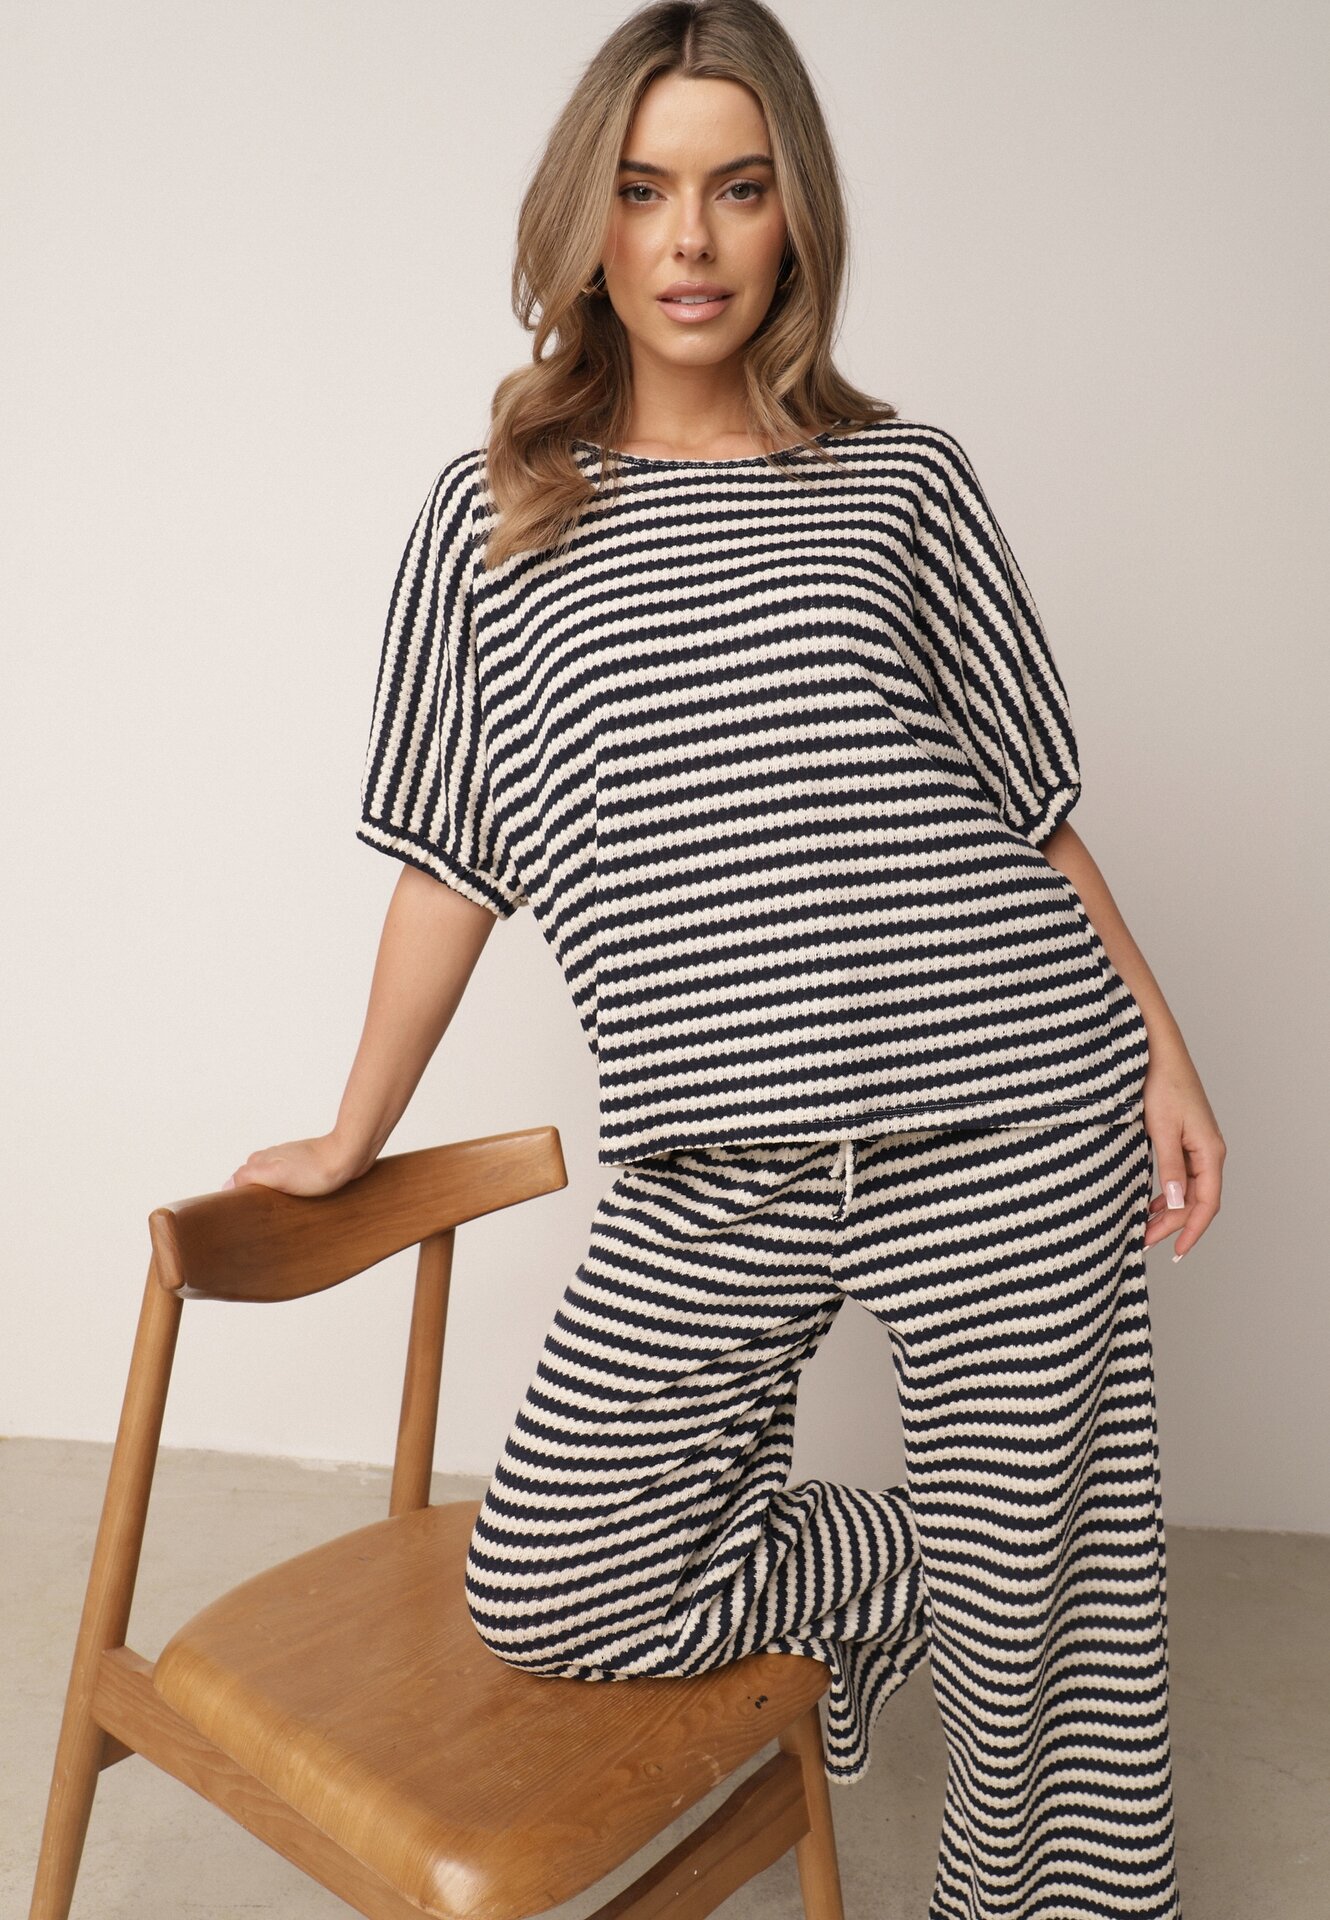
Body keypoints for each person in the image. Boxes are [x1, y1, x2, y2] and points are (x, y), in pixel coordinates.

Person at [228, 3, 1223, 1913]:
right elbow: (444, 867)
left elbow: (1028, 809)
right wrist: (353, 1134)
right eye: (642, 189)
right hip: (714, 1153)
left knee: (1048, 1673)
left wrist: (1163, 1059)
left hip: (1012, 1105)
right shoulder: (491, 513)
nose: (688, 238)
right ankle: (920, 1571)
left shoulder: (902, 479)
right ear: (583, 221)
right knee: (560, 1573)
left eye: (738, 189)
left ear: (794, 220)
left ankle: (1018, 1681)